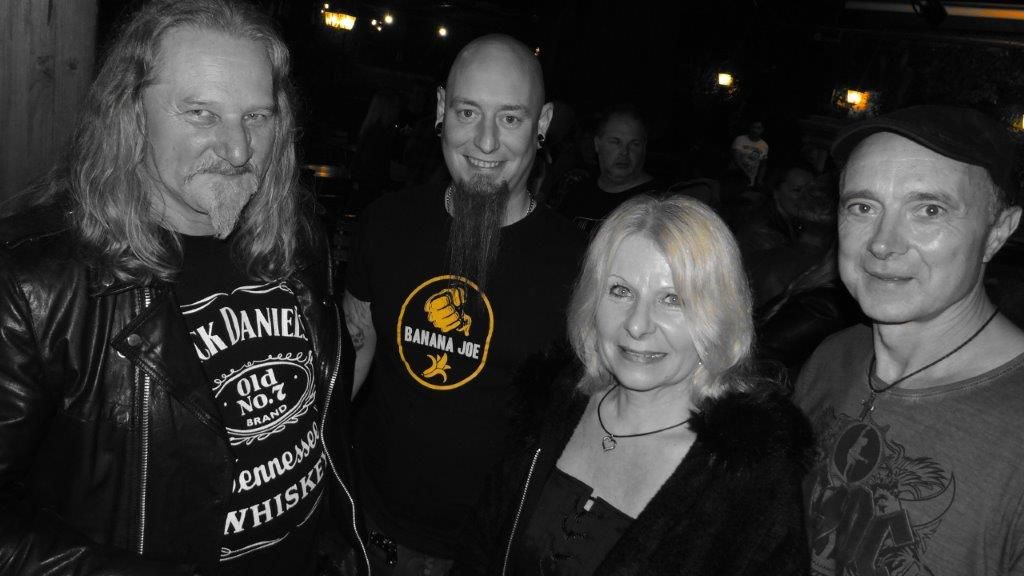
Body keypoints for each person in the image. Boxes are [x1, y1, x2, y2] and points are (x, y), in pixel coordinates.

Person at [0, 1, 369, 575]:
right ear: (130, 114)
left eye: (257, 116)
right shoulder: (31, 283)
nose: (239, 150)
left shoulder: (294, 238)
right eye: (201, 113)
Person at [459, 195, 813, 575]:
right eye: (620, 291)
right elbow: (481, 548)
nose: (637, 325)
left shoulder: (751, 478)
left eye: (673, 299)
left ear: (718, 317)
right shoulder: (552, 403)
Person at [342, 34, 585, 574]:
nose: (486, 141)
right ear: (440, 110)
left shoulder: (579, 264)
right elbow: (353, 349)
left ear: (543, 123)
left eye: (511, 118)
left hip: (496, 549)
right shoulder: (386, 223)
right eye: (468, 112)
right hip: (369, 526)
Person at [796, 105, 1024, 575]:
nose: (882, 243)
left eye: (929, 210)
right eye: (863, 207)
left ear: (998, 233)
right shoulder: (831, 357)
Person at [558, 105, 662, 234]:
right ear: (597, 144)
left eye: (634, 144)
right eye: (615, 142)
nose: (624, 152)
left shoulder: (659, 202)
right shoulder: (577, 194)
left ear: (644, 148)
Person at [731, 120, 769, 188]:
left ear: (762, 130)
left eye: (758, 128)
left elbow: (763, 165)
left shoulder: (764, 145)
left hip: (749, 181)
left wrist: (759, 180)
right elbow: (736, 159)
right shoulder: (740, 139)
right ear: (750, 128)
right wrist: (745, 172)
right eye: (753, 127)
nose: (755, 130)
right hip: (734, 177)